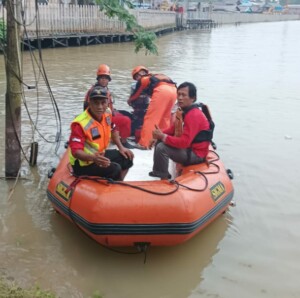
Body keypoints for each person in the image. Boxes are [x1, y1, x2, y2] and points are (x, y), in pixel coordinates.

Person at [149, 82, 214, 179]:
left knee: (162, 147)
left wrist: (162, 137)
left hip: (196, 154)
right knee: (160, 141)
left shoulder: (194, 115)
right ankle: (158, 171)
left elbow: (184, 143)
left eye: (183, 95)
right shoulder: (185, 111)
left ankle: (163, 178)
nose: (180, 98)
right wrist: (158, 135)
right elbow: (173, 129)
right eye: (178, 94)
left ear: (193, 98)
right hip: (190, 149)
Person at [69, 86, 134, 181]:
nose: (100, 107)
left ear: (108, 103)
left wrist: (121, 147)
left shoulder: (107, 113)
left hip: (100, 154)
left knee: (127, 158)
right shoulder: (80, 123)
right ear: (89, 103)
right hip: (83, 163)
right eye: (96, 103)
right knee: (115, 169)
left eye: (103, 103)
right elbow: (76, 152)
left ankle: (117, 184)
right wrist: (94, 158)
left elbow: (113, 129)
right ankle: (111, 188)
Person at [84, 64, 134, 149]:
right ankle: (123, 141)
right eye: (102, 78)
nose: (104, 80)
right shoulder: (97, 91)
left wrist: (114, 111)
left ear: (108, 80)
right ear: (98, 79)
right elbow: (93, 108)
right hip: (101, 117)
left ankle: (117, 136)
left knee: (126, 114)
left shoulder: (102, 89)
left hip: (107, 114)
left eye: (106, 78)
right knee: (126, 120)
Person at [129, 66, 177, 149]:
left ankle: (144, 143)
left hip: (162, 91)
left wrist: (129, 101)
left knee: (150, 118)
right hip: (174, 91)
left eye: (137, 76)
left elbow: (135, 95)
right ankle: (163, 141)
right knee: (165, 118)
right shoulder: (154, 77)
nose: (137, 78)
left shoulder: (143, 80)